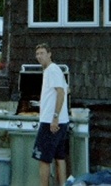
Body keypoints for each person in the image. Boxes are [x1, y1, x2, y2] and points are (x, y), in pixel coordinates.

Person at [32, 43, 69, 186]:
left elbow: (61, 92)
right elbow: (66, 89)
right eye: (37, 54)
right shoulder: (54, 70)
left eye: (42, 53)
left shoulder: (52, 70)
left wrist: (54, 117)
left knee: (43, 159)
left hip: (50, 122)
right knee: (60, 158)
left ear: (49, 54)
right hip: (61, 121)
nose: (39, 56)